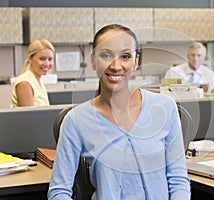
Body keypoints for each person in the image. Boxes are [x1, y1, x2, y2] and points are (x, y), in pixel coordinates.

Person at [48, 24, 190, 200]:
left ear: (135, 61)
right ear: (93, 60)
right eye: (106, 55)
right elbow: (59, 191)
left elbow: (178, 180)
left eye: (125, 56)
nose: (116, 66)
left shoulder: (164, 107)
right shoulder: (76, 120)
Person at [11, 39, 55, 107]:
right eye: (42, 59)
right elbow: (28, 116)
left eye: (50, 59)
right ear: (30, 58)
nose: (47, 64)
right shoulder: (25, 83)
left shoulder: (38, 80)